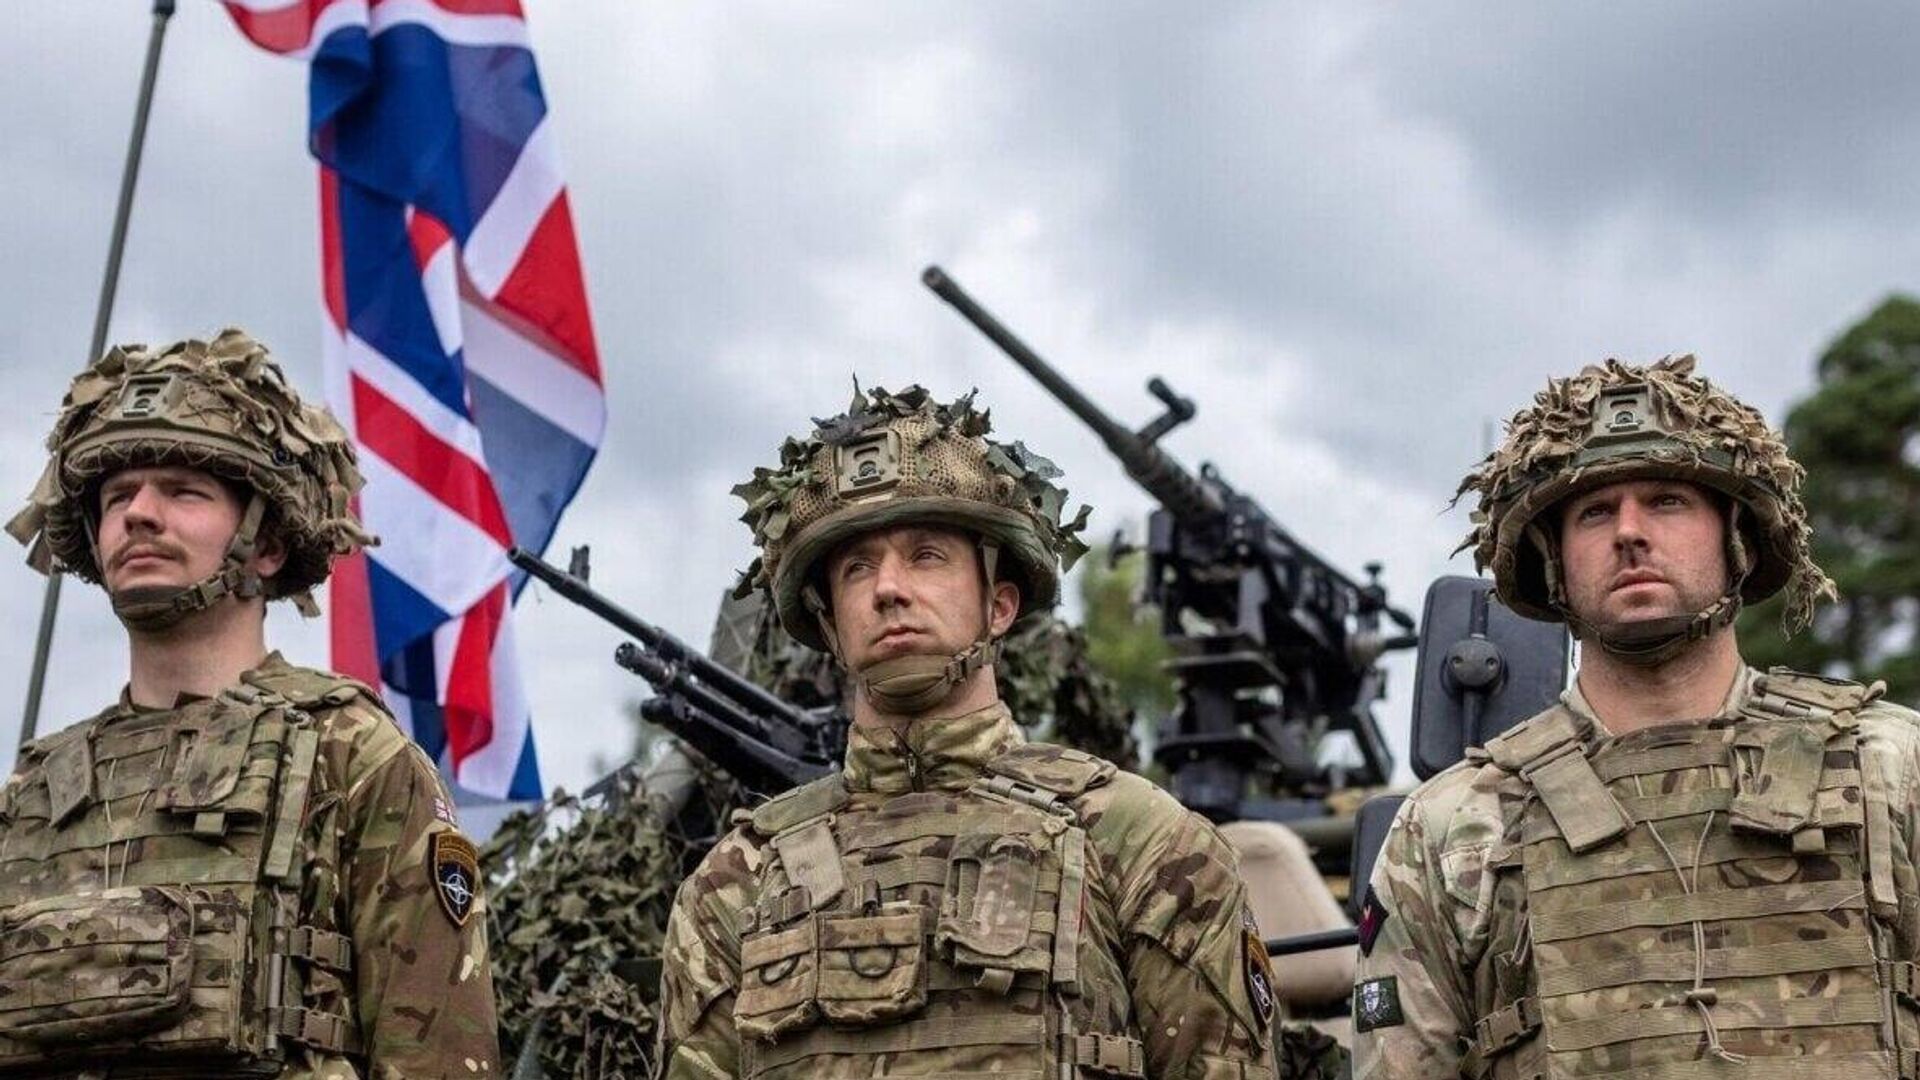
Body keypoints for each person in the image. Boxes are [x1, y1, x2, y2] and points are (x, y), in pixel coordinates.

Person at [655, 385, 1279, 1079]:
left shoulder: (1138, 842)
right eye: (857, 567)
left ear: (999, 605)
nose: (887, 588)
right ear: (829, 624)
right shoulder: (736, 880)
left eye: (926, 555)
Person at [1351, 355, 1920, 1078]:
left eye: (1666, 500)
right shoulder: (1455, 825)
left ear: (1736, 538)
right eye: (1594, 512)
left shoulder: (1890, 767)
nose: (1629, 532)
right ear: (1552, 559)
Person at [2, 331, 499, 1078]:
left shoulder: (352, 757)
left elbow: (438, 1057)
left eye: (183, 491)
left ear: (265, 545)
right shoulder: (34, 796)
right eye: (117, 496)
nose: (139, 514)